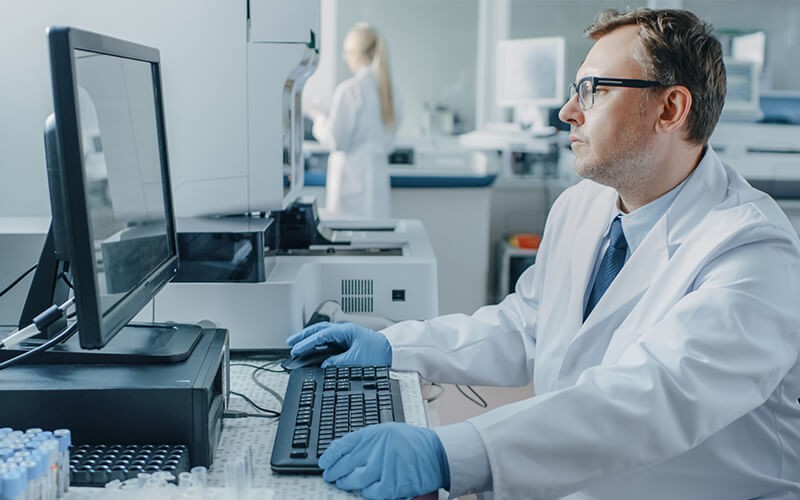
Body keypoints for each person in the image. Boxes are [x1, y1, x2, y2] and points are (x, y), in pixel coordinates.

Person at [288, 8, 800, 500]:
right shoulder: (583, 206)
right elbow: (526, 324)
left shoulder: (750, 250)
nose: (567, 111)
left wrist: (455, 453)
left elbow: (654, 395)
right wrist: (393, 347)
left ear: (670, 109)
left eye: (591, 90)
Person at [308, 22, 398, 220]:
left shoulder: (350, 90)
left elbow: (336, 140)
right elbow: (389, 139)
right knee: (376, 240)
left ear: (356, 53)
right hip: (377, 179)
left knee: (351, 244)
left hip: (351, 182)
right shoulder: (391, 93)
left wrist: (319, 118)